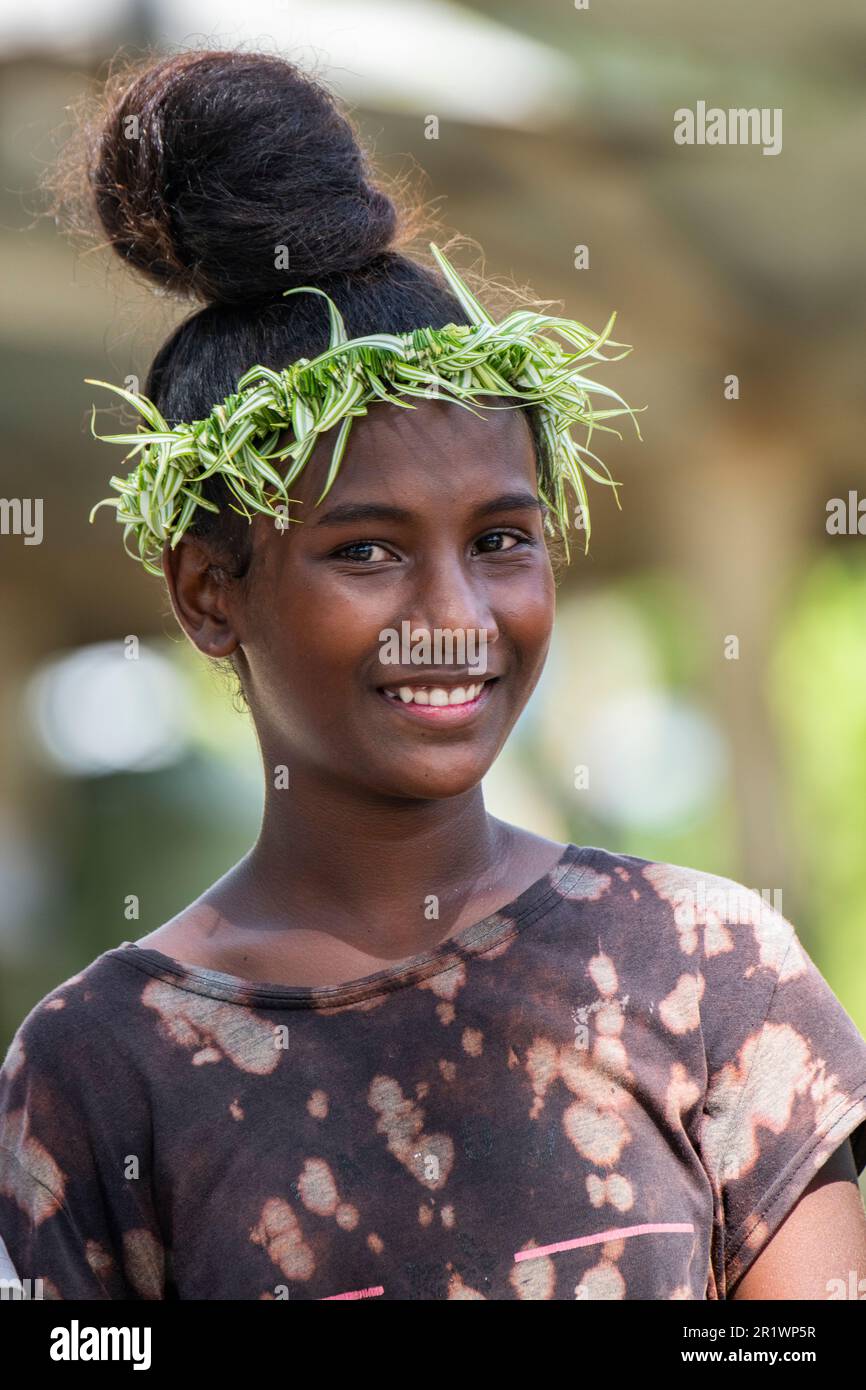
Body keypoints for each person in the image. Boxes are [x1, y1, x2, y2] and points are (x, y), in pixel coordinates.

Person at [1, 48, 865, 1303]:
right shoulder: (101, 1071)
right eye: (365, 550)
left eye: (500, 540)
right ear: (207, 593)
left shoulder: (703, 969)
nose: (453, 617)